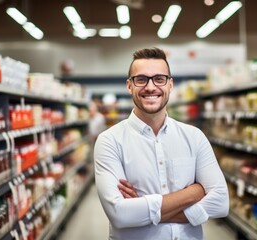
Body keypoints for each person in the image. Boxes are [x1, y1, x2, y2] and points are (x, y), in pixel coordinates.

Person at [94, 47, 229, 240]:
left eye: (159, 79)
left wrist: (143, 209)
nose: (150, 87)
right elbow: (120, 214)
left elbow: (221, 203)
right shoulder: (109, 141)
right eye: (141, 79)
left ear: (170, 84)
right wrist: (193, 193)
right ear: (129, 86)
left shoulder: (194, 137)